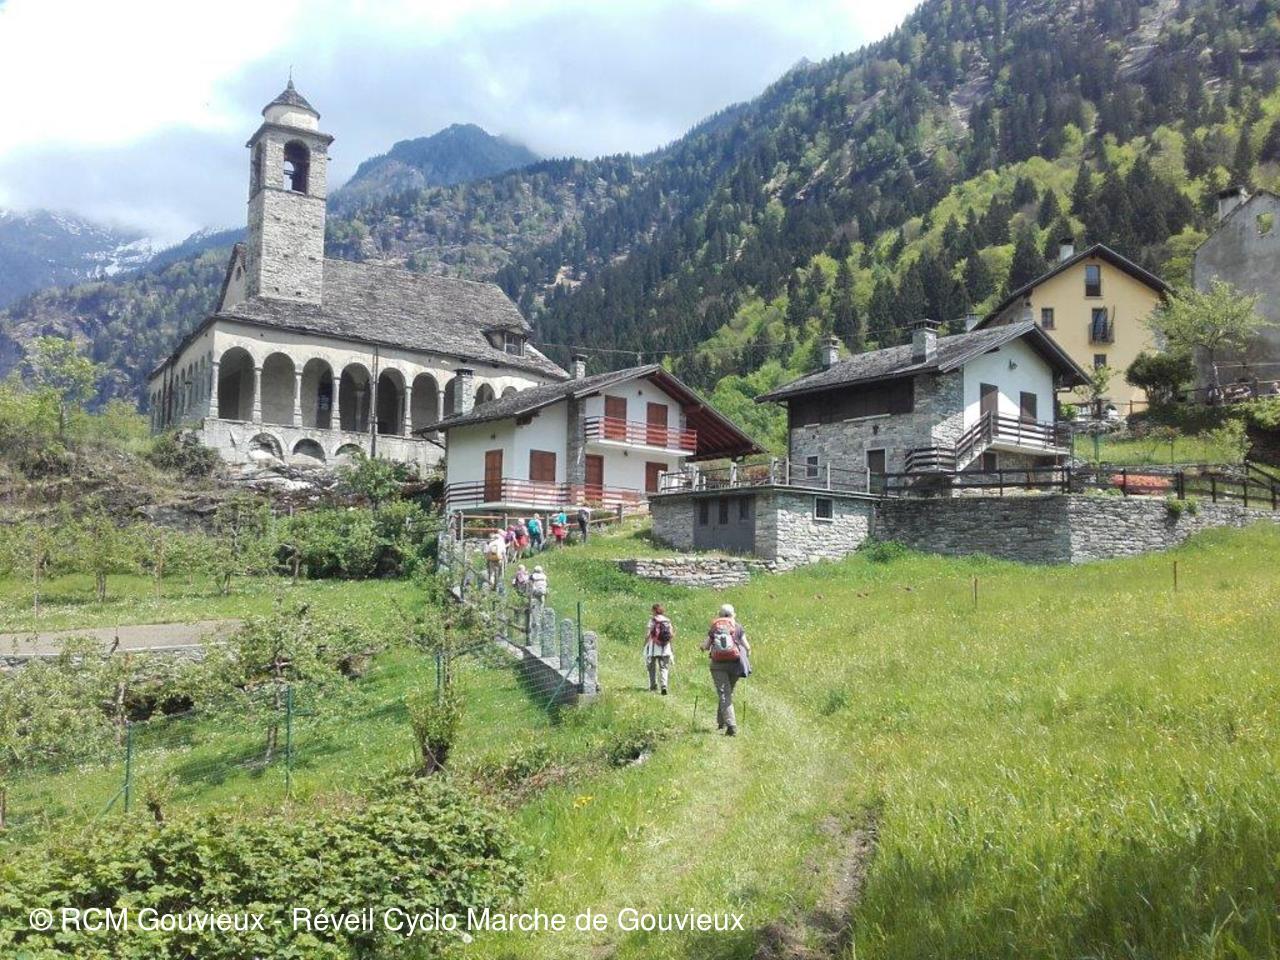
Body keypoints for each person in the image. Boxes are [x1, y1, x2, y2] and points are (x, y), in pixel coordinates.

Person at [701, 603, 751, 736]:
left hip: (718, 665)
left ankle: (731, 725)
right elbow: (747, 646)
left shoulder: (715, 627)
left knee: (724, 693)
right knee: (727, 693)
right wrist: (746, 656)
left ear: (720, 615)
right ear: (733, 614)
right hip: (735, 664)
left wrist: (702, 647)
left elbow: (706, 645)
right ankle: (721, 722)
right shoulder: (737, 627)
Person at [644, 603, 675, 695]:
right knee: (664, 667)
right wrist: (670, 645)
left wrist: (645, 644)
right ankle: (664, 685)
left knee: (651, 667)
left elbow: (648, 634)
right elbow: (671, 634)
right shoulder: (667, 621)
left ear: (654, 611)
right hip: (665, 648)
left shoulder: (652, 620)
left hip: (653, 648)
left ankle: (653, 686)